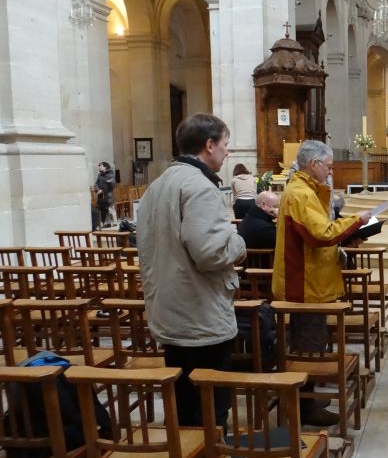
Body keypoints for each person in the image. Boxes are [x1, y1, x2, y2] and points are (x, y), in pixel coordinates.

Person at [137, 113, 246, 429]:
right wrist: (239, 243)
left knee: (184, 407)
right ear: (209, 145)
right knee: (210, 411)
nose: (227, 151)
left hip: (169, 311)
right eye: (225, 144)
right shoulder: (200, 187)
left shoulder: (157, 185)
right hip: (200, 316)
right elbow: (211, 252)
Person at [272, 140, 370, 427]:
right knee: (309, 345)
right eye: (328, 166)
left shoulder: (304, 190)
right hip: (304, 283)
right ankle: (305, 406)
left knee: (313, 341)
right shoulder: (300, 193)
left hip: (311, 280)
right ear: (313, 164)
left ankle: (308, 396)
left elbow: (318, 235)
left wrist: (349, 236)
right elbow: (320, 234)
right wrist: (356, 221)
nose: (330, 172)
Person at [95, 161, 116, 227]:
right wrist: (98, 189)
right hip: (101, 196)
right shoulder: (99, 175)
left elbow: (113, 186)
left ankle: (114, 222)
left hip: (108, 195)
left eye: (101, 166)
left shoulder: (110, 174)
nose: (99, 167)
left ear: (105, 167)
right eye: (99, 166)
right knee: (103, 209)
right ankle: (105, 223)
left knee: (110, 209)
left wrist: (109, 182)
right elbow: (96, 184)